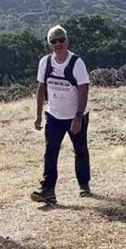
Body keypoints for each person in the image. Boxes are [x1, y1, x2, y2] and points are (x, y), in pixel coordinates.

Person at [31, 25, 91, 207]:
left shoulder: (76, 63)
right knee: (50, 152)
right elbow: (41, 88)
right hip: (54, 115)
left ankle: (84, 184)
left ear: (67, 41)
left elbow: (83, 89)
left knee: (80, 150)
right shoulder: (45, 63)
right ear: (49, 45)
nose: (58, 44)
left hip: (75, 115)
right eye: (53, 41)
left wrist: (78, 117)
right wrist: (39, 114)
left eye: (61, 40)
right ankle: (48, 190)